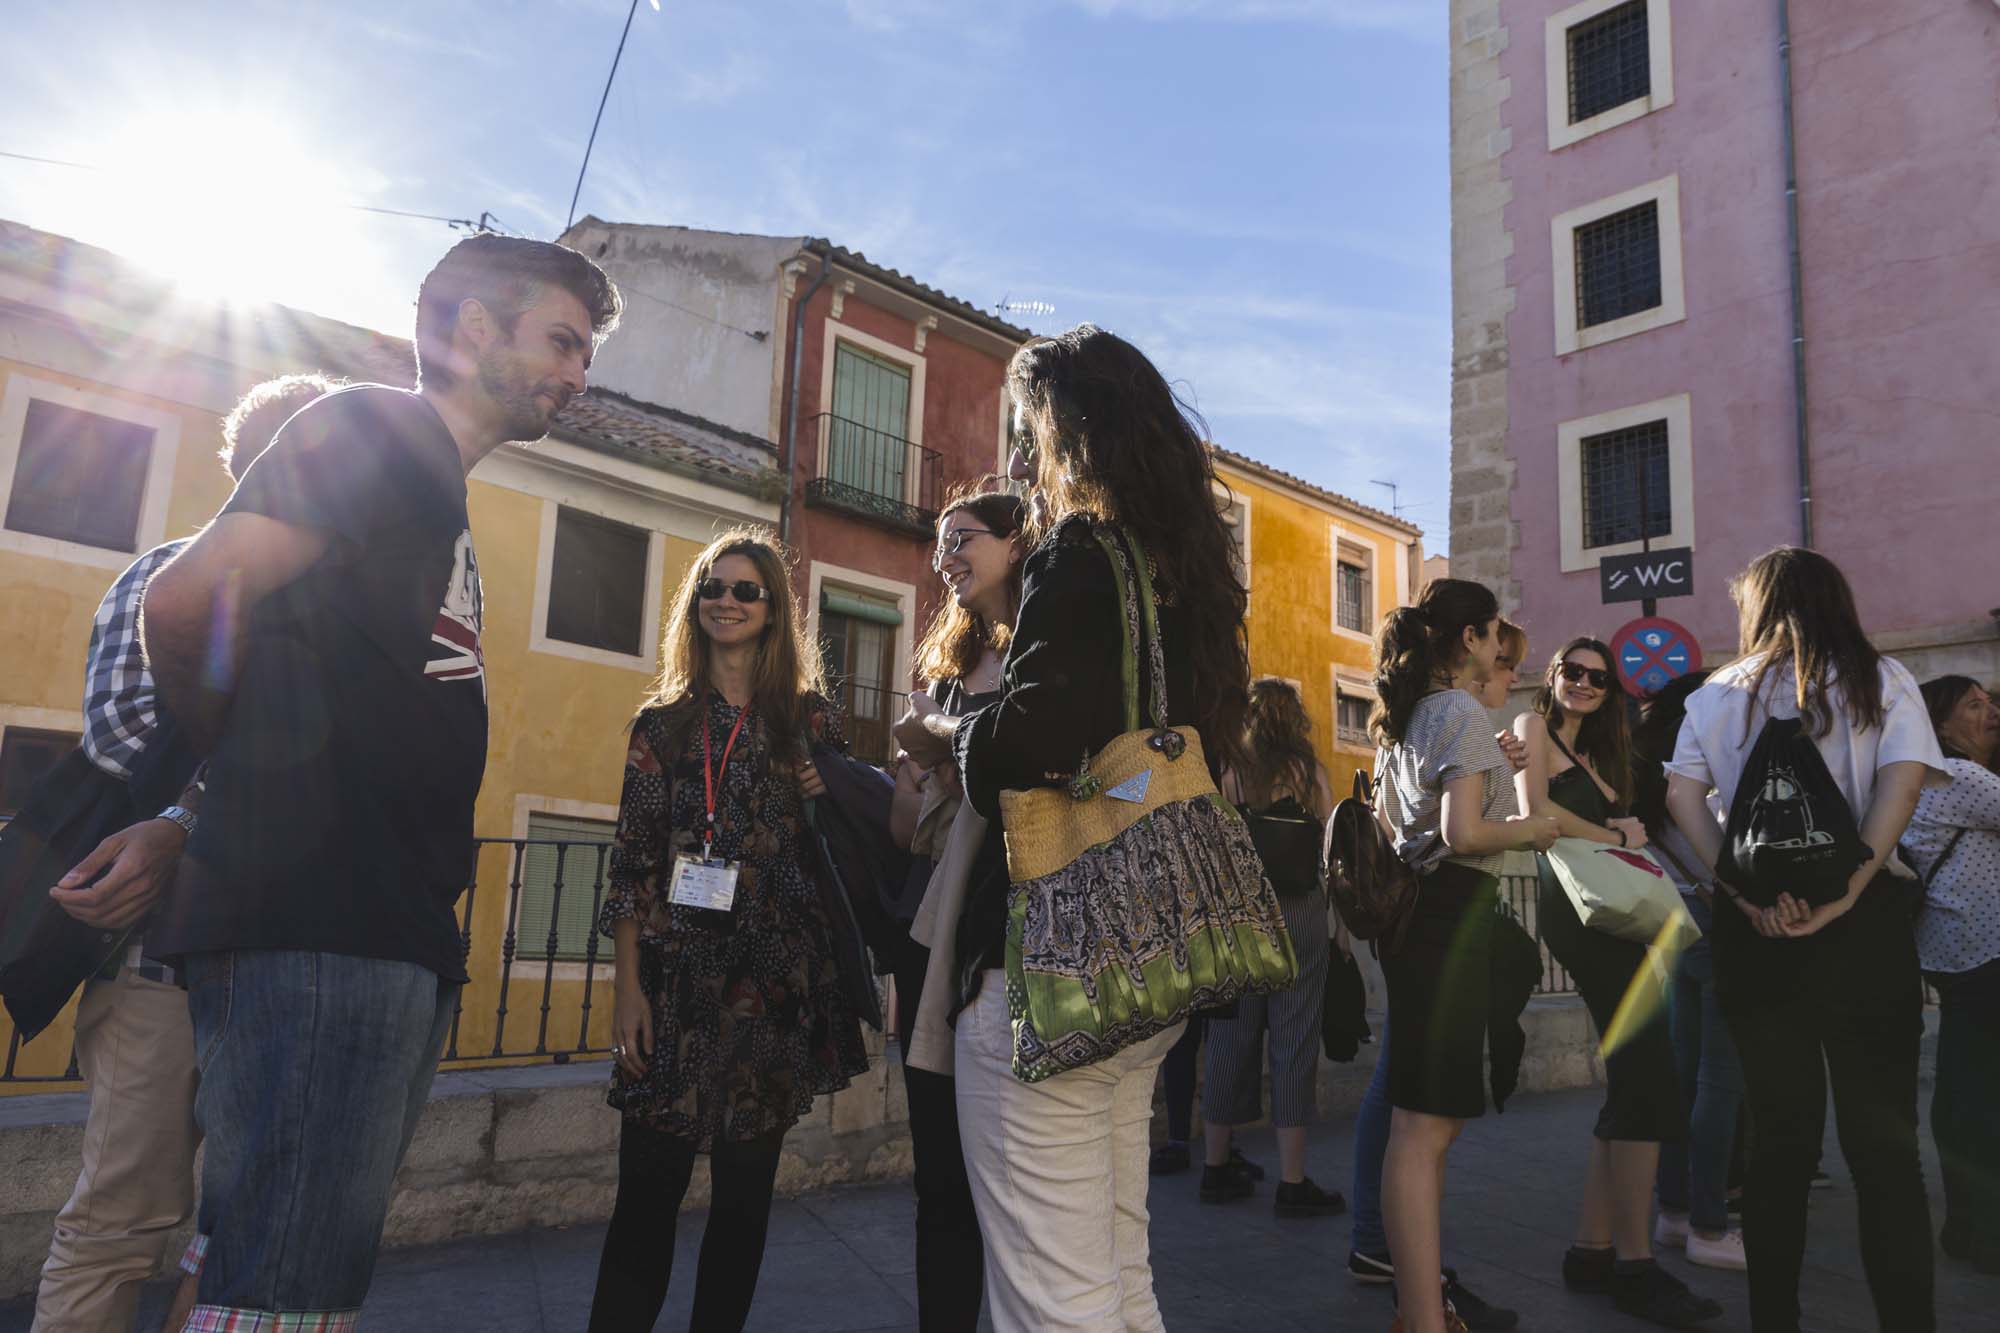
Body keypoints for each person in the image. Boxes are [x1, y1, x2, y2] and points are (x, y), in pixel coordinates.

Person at [141, 235, 621, 1327]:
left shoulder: (427, 481)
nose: (577, 374)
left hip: (366, 930)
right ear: (469, 329)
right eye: (560, 340)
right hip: (324, 928)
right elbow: (183, 604)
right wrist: (234, 769)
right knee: (285, 1291)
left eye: (583, 352)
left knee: (267, 1270)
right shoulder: (381, 427)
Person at [897, 323, 1249, 1330]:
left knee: (1049, 1293)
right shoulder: (1186, 576)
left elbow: (1021, 751)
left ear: (1061, 434)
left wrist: (945, 731)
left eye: (1023, 435)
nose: (1016, 460)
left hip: (1047, 965)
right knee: (1114, 1264)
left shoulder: (1078, 555)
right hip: (1151, 956)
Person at [29, 374, 337, 1333]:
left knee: (246, 1228)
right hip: (159, 957)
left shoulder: (346, 603)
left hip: (295, 950)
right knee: (125, 1215)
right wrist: (214, 799)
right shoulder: (167, 571)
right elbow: (121, 733)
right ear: (247, 466)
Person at [589, 530, 871, 1331]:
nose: (727, 599)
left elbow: (847, 844)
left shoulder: (810, 722)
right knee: (644, 1202)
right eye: (713, 586)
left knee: (742, 1214)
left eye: (747, 590)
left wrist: (835, 786)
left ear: (775, 609)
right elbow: (631, 867)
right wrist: (627, 990)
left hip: (773, 987)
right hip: (674, 984)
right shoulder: (663, 725)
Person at [1665, 547, 1946, 1333]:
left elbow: (1682, 795)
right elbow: (1902, 785)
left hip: (1759, 937)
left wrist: (1740, 889)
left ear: (1755, 606)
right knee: (1885, 1148)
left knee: (1780, 1146)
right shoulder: (1881, 679)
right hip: (1864, 930)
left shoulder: (1717, 692)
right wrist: (1851, 889)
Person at [1369, 581, 1559, 1333]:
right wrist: (1537, 827)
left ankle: (1423, 1308)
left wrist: (1505, 777)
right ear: (1475, 638)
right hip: (1446, 918)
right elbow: (1466, 836)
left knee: (1423, 1127)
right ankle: (1422, 1316)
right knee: (1424, 1131)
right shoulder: (1454, 710)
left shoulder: (1415, 715)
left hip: (1423, 921)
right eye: (1493, 638)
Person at [1512, 641, 1719, 1327]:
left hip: (1617, 913)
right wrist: (1614, 830)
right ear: (1553, 675)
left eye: (1599, 678)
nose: (1584, 683)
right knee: (1647, 1072)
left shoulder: (1605, 750)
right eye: (1573, 670)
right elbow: (1539, 815)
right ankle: (1635, 1264)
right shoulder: (1531, 728)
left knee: (1637, 1072)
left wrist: (1622, 826)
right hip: (1580, 910)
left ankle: (1592, 1248)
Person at [885, 486, 1027, 1331]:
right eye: (940, 544)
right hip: (932, 934)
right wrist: (915, 772)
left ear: (1018, 543)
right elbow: (908, 835)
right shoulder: (946, 671)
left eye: (963, 538)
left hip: (1011, 932)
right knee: (937, 1173)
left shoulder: (1049, 663)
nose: (947, 557)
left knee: (1007, 1177)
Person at [1200, 679, 1341, 1215]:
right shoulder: (1308, 775)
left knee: (1228, 1040)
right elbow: (1330, 849)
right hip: (1300, 911)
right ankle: (1292, 1180)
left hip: (1242, 916)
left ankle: (1215, 1168)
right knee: (1294, 1042)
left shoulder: (1232, 772)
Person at [1633, 671, 1749, 1275]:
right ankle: (1710, 1224)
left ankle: (1674, 1212)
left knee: (1683, 1077)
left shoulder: (1644, 779)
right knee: (1721, 1082)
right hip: (1717, 927)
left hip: (1670, 930)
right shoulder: (1700, 773)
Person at [1903, 675, 2000, 1274]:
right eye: (1973, 704)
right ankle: (1976, 1228)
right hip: (1985, 949)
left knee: (1969, 1086)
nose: (1990, 710)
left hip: (1952, 950)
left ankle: (1972, 1223)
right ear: (1940, 725)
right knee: (1974, 1094)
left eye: (1991, 701)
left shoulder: (1927, 776)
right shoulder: (1961, 777)